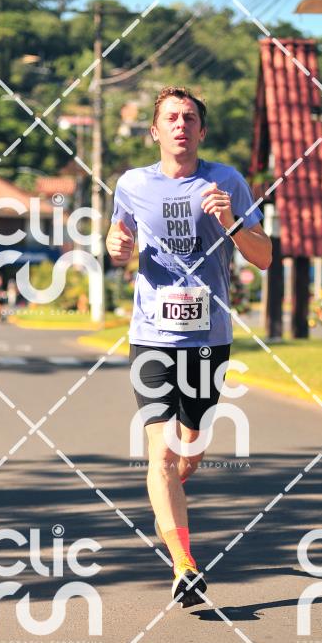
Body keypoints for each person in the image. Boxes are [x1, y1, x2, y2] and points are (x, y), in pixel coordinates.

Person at [106, 86, 272, 607]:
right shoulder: (132, 184)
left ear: (202, 130)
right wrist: (116, 246)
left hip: (208, 338)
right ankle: (185, 566)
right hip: (150, 337)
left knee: (188, 454)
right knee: (162, 451)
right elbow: (118, 239)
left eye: (190, 118)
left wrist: (232, 221)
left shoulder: (228, 182)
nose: (181, 125)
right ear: (154, 131)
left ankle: (165, 503)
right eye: (172, 118)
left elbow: (264, 257)